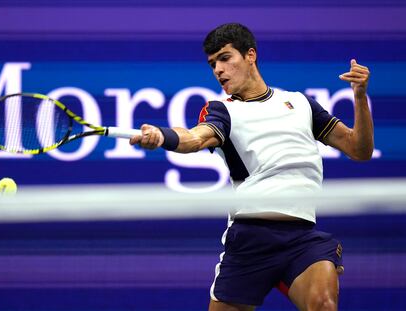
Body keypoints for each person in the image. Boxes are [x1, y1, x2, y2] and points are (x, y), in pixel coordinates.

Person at [130, 23, 373, 311]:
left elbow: (359, 150)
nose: (218, 70)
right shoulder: (223, 109)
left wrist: (359, 96)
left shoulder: (300, 103)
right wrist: (162, 137)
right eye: (212, 64)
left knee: (324, 305)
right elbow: (195, 138)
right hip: (250, 239)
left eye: (224, 58)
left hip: (303, 238)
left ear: (250, 55)